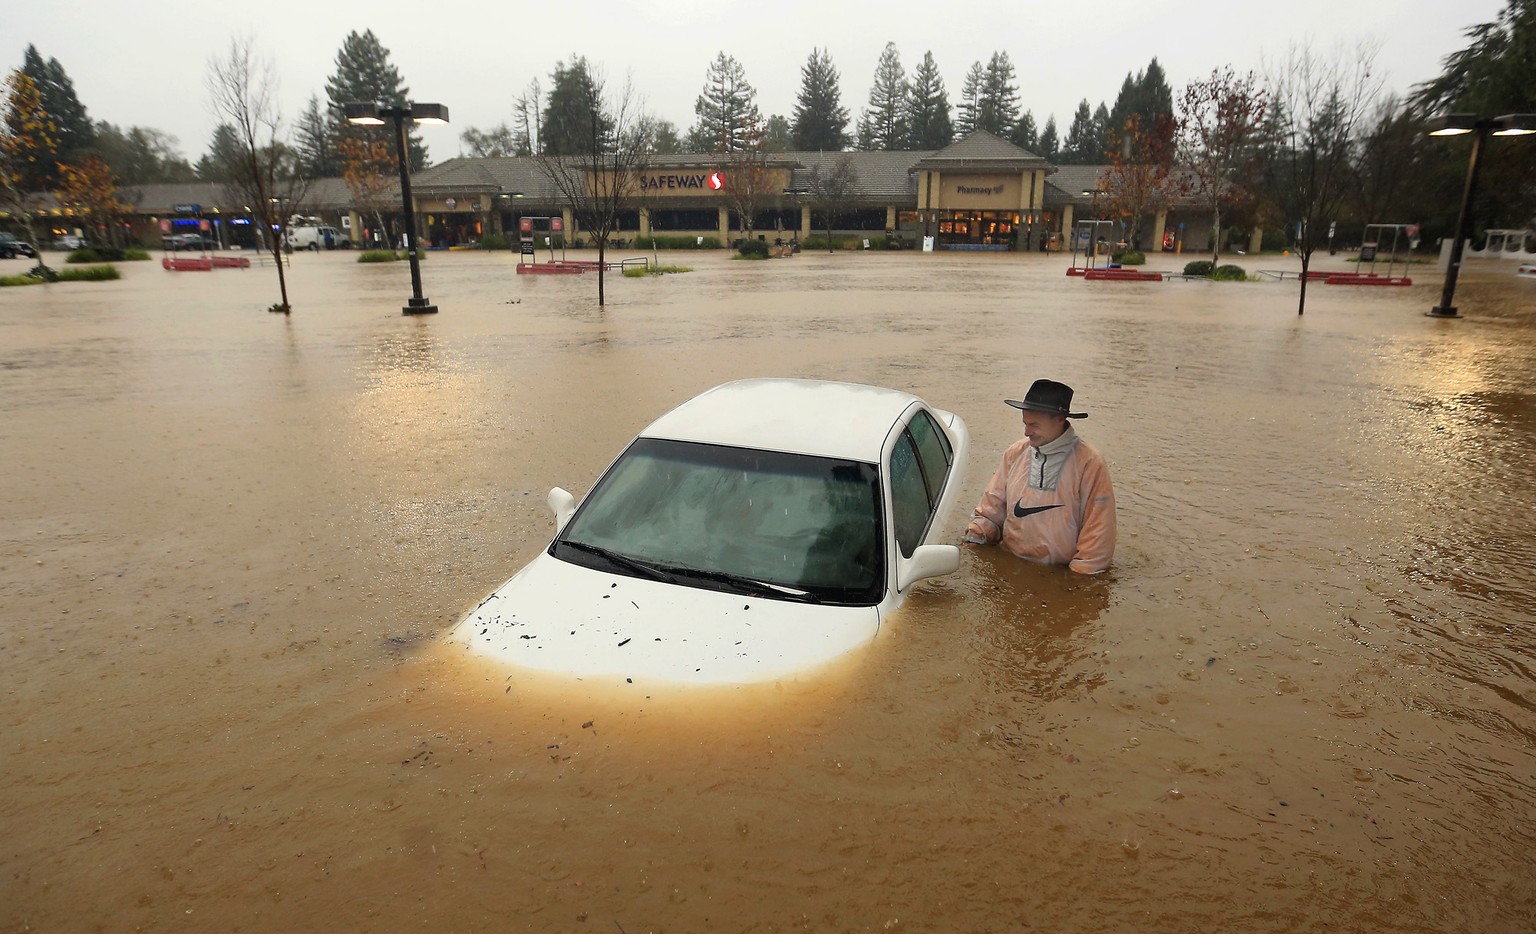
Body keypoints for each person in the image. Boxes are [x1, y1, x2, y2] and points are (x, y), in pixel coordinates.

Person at [964, 379, 1116, 574]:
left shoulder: (1090, 463)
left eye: (1034, 425)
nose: (1026, 432)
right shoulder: (1015, 453)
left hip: (1061, 575)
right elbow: (991, 509)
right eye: (1025, 424)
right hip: (1010, 566)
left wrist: (1079, 582)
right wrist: (975, 537)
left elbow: (1098, 535)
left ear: (1060, 419)